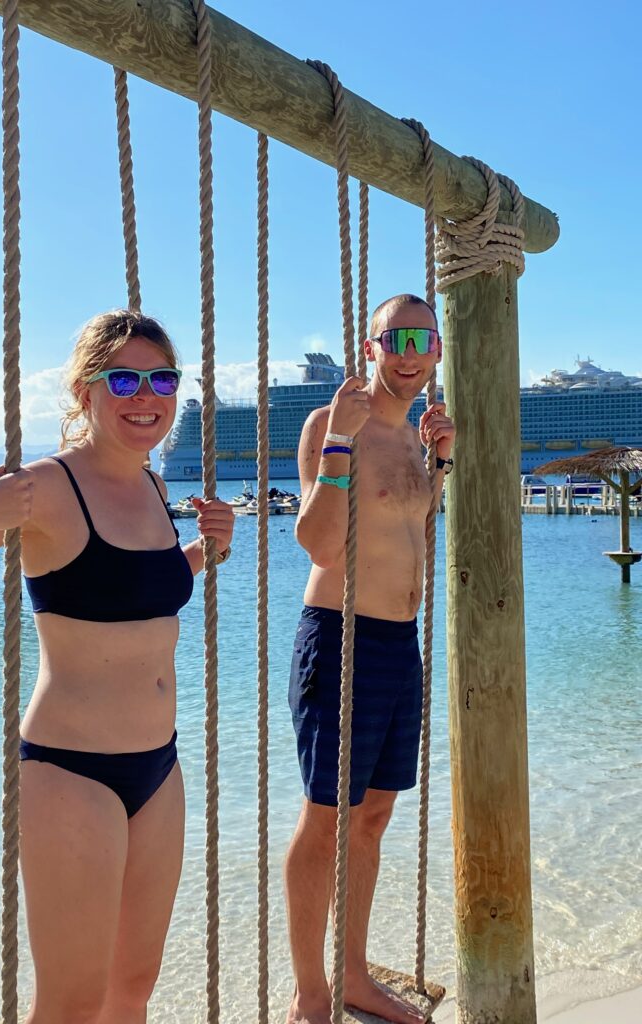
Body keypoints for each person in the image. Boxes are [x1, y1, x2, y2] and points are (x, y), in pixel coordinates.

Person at [0, 309, 235, 1024]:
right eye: (124, 378)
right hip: (71, 775)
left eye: (161, 378)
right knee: (69, 1005)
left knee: (132, 988)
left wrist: (203, 552)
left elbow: (131, 602)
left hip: (159, 770)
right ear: (84, 391)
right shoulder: (43, 488)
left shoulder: (157, 491)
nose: (146, 396)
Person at [284, 294, 455, 1024]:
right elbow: (321, 545)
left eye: (422, 338)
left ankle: (352, 974)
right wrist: (339, 446)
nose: (409, 351)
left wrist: (440, 463)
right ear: (372, 344)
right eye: (396, 338)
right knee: (326, 818)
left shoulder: (418, 436)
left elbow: (408, 533)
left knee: (373, 818)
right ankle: (310, 994)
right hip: (342, 635)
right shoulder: (331, 423)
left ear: (438, 349)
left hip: (400, 647)